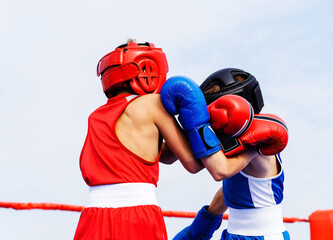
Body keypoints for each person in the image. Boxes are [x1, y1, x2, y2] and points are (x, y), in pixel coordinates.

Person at [73, 41, 257, 240]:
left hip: (93, 215)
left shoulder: (96, 117)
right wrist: (207, 127)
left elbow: (165, 155)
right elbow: (193, 164)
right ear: (148, 68)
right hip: (135, 215)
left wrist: (191, 125)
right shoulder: (152, 104)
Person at [173, 68, 290, 240]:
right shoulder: (237, 142)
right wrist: (203, 225)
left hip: (263, 236)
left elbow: (221, 171)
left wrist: (196, 124)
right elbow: (233, 187)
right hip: (236, 234)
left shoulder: (257, 141)